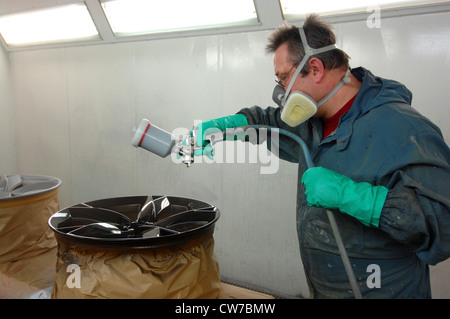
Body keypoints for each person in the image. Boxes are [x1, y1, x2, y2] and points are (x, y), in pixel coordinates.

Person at [194, 14, 450, 298]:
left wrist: (353, 196)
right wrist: (225, 127)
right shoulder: (312, 122)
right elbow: (268, 123)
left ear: (314, 68)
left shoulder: (403, 128)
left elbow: (445, 224)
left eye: (283, 79)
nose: (281, 93)